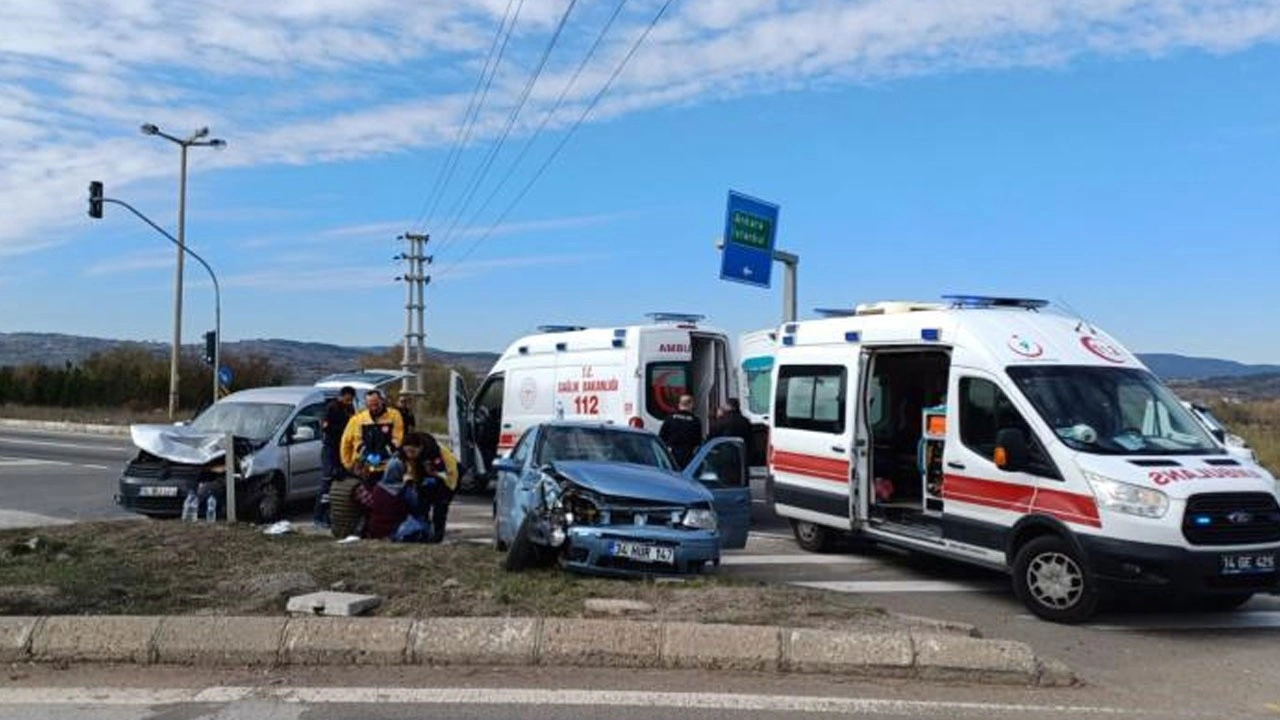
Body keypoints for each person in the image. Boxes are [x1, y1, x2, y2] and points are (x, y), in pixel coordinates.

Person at [333, 389, 405, 539]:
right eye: (370, 405)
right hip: (366, 468)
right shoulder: (358, 419)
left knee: (388, 500)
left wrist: (383, 455)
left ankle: (387, 529)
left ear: (382, 402)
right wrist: (350, 463)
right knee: (367, 501)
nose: (374, 408)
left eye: (376, 404)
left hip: (387, 468)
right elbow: (349, 441)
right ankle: (367, 528)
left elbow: (397, 439)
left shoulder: (394, 416)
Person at [314, 385, 356, 528]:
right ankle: (319, 516)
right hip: (331, 449)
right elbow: (326, 427)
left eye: (351, 400)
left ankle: (333, 516)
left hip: (343, 449)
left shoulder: (350, 408)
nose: (349, 402)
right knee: (327, 481)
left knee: (340, 481)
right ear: (342, 396)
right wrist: (342, 429)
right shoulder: (332, 408)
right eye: (347, 399)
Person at [417, 433, 459, 543]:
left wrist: (448, 489)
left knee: (440, 510)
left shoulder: (440, 452)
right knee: (422, 507)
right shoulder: (417, 454)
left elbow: (451, 474)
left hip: (447, 480)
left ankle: (437, 536)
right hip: (430, 482)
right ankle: (424, 533)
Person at [659, 394, 703, 469]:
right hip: (688, 456)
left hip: (671, 455)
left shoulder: (670, 419)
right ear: (690, 405)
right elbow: (698, 441)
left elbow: (661, 436)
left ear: (680, 404)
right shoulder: (695, 421)